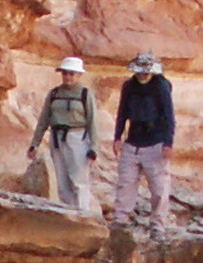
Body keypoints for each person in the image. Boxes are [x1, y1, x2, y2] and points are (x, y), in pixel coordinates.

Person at [112, 52, 175, 229]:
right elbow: (122, 113)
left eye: (146, 72)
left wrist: (168, 142)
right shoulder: (129, 86)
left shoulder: (161, 86)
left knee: (159, 187)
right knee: (126, 183)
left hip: (155, 142)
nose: (143, 75)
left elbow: (168, 115)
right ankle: (120, 220)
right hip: (132, 142)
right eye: (140, 72)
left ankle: (158, 224)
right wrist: (118, 137)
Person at [28, 57, 99, 214]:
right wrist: (35, 143)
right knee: (62, 180)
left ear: (79, 75)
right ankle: (68, 215)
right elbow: (43, 120)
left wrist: (94, 148)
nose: (68, 77)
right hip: (57, 137)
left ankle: (83, 215)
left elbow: (93, 121)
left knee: (79, 180)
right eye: (65, 73)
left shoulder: (85, 94)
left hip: (77, 136)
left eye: (71, 74)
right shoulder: (54, 93)